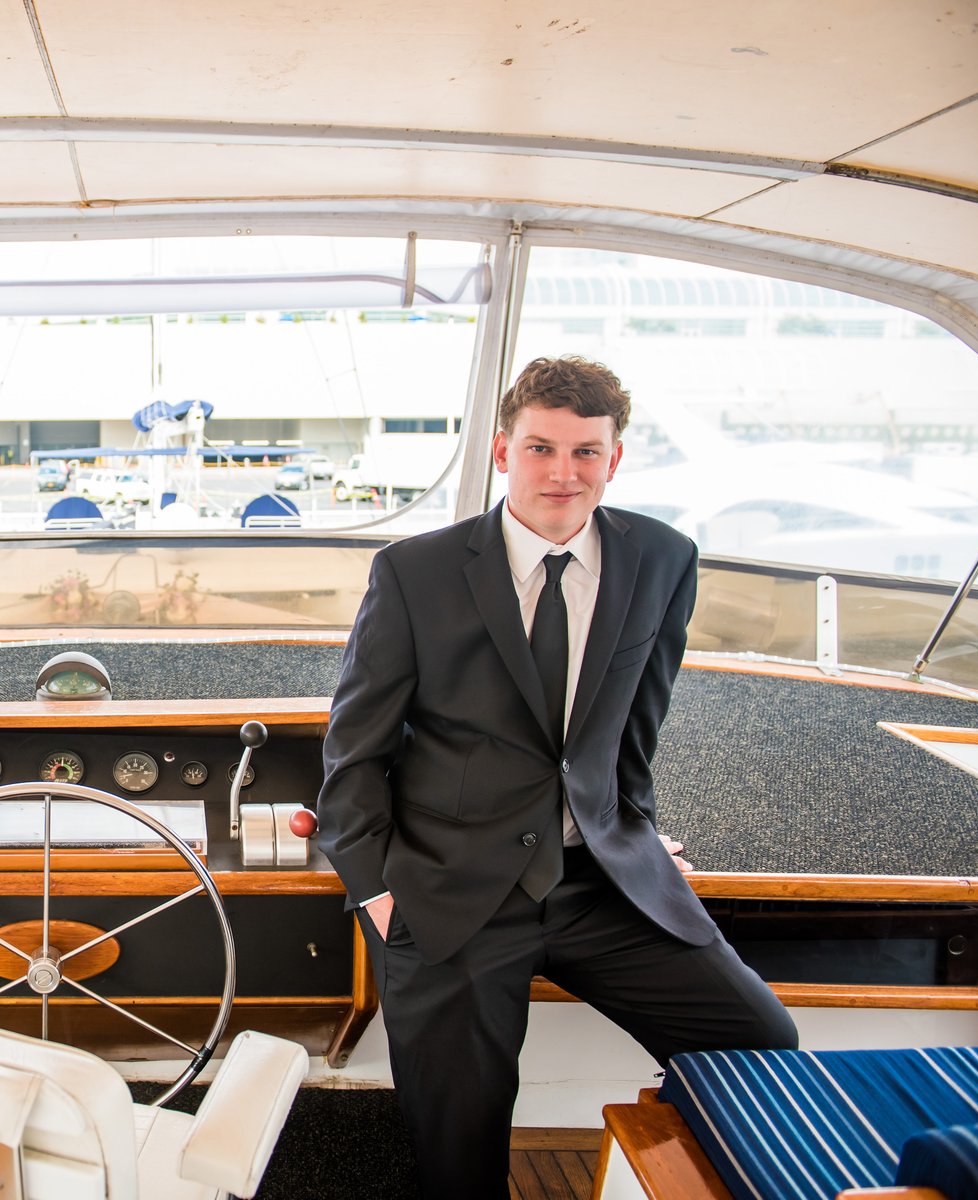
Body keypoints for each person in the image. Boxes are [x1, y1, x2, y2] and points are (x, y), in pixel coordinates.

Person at [316, 357, 796, 1197]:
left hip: (598, 887)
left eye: (584, 452)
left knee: (758, 1042)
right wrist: (375, 892)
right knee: (458, 1151)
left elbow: (635, 726)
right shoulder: (414, 572)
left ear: (614, 458)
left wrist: (633, 830)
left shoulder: (662, 558)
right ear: (503, 450)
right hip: (449, 892)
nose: (562, 473)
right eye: (540, 448)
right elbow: (355, 748)